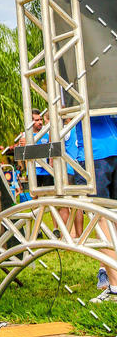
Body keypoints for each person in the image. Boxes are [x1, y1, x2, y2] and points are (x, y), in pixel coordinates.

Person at [72, 116, 117, 302]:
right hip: (112, 149)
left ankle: (114, 287)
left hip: (94, 155)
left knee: (100, 218)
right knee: (112, 217)